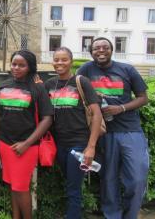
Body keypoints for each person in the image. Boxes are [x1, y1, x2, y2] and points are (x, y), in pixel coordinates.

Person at [77, 37, 149, 219]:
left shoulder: (127, 69)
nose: (101, 50)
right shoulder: (85, 70)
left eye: (105, 47)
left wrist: (121, 108)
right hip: (103, 132)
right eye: (96, 48)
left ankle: (130, 214)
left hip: (129, 130)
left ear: (111, 50)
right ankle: (112, 216)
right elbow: (72, 89)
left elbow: (143, 97)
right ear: (91, 51)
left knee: (137, 179)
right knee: (108, 180)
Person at [0, 50, 53, 219]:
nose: (16, 68)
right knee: (13, 185)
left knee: (21, 187)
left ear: (30, 67)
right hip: (5, 145)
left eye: (21, 65)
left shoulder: (38, 88)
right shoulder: (2, 86)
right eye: (14, 64)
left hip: (27, 147)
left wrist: (26, 143)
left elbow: (47, 119)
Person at [44, 47, 103, 219]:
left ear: (71, 61)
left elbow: (97, 114)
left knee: (73, 187)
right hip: (59, 144)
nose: (59, 63)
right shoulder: (50, 84)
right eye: (56, 59)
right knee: (69, 182)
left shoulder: (80, 81)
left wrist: (90, 147)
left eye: (64, 59)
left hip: (79, 143)